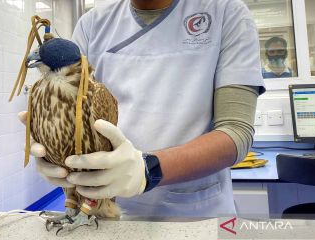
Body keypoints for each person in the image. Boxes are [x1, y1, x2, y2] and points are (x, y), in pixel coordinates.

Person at [19, 0, 265, 217]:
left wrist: (147, 170)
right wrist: (53, 151)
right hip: (103, 210)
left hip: (194, 212)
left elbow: (236, 133)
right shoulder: (93, 23)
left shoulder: (227, 13)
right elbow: (69, 104)